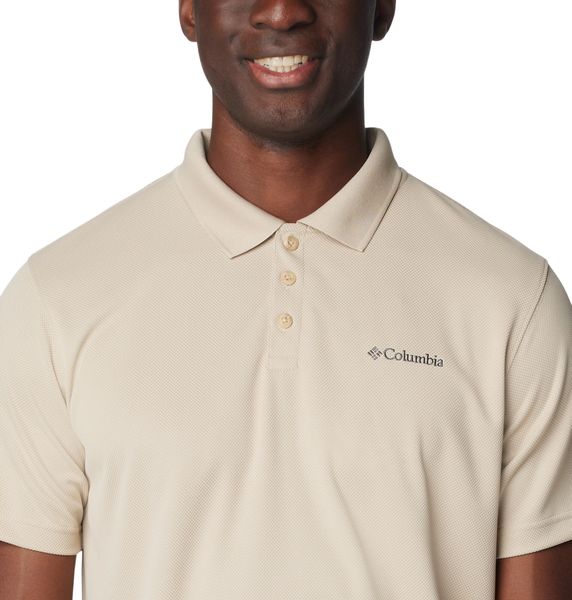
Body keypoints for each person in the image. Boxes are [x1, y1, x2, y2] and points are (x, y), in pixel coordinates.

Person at [1, 1, 571, 598]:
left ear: (381, 8)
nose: (280, 12)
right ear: (189, 9)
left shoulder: (514, 301)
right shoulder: (57, 299)